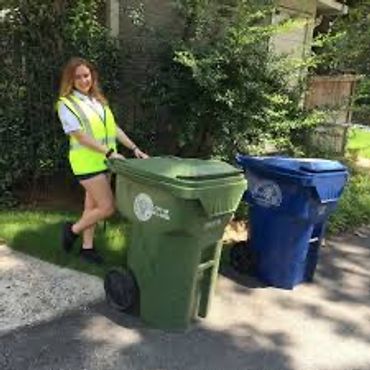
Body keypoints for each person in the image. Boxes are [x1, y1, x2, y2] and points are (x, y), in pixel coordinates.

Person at [57, 57, 148, 264]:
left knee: (91, 207)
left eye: (86, 75)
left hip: (105, 162)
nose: (83, 80)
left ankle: (87, 249)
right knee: (107, 207)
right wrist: (108, 153)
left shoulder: (97, 100)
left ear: (92, 76)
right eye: (77, 77)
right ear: (70, 80)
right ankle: (72, 230)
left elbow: (113, 129)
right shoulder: (66, 104)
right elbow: (80, 136)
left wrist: (135, 148)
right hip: (87, 163)